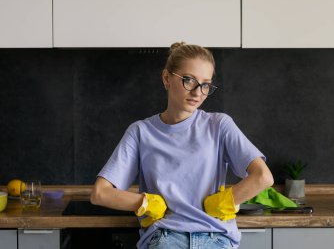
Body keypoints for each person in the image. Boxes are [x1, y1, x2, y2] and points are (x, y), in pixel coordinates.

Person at [91, 42, 274, 249]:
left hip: (216, 237)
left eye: (206, 84)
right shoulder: (141, 132)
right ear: (167, 78)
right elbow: (100, 193)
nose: (198, 92)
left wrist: (228, 200)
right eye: (189, 80)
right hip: (166, 237)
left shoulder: (219, 125)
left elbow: (263, 177)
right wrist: (143, 202)